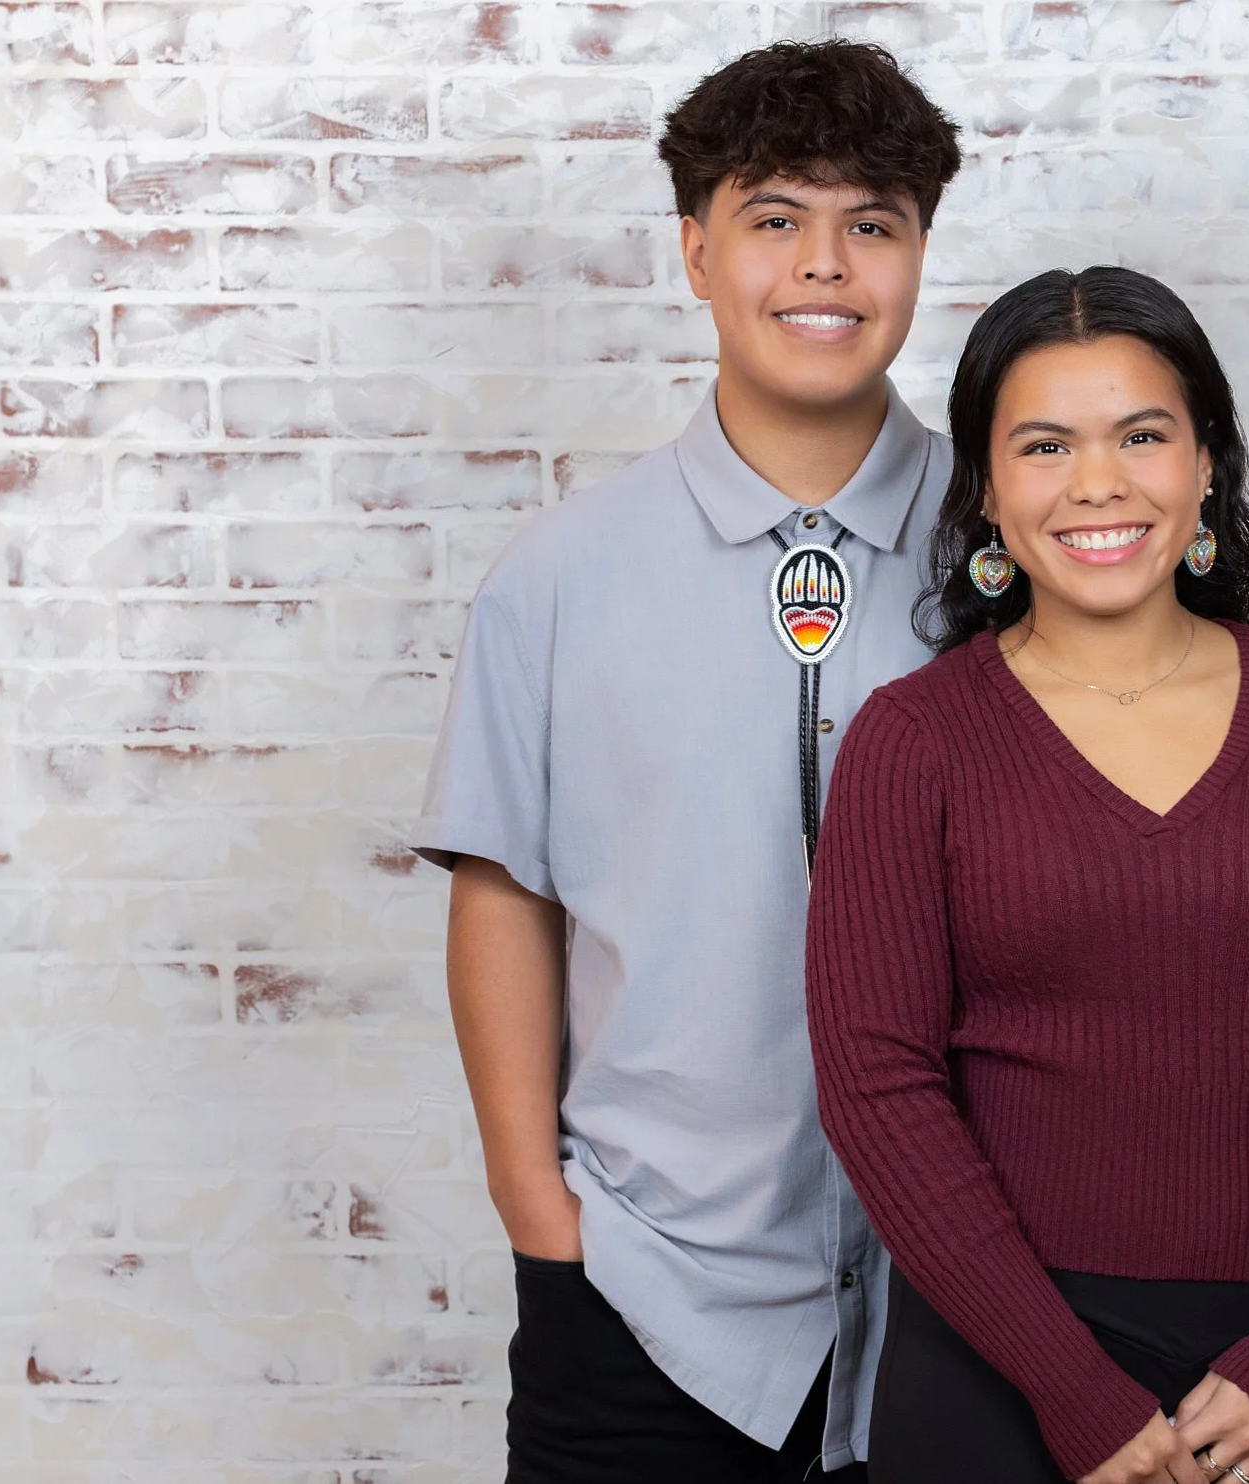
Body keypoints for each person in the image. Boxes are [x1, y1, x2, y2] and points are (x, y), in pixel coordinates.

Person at [806, 266, 1249, 1484]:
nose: (1098, 482)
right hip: (996, 1364)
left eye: (1142, 435)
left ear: (1205, 463)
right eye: (1045, 444)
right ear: (989, 487)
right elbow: (876, 1083)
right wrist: (1070, 1387)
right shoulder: (915, 741)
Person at [411, 41, 960, 1483]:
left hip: (979, 1312)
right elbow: (503, 897)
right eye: (775, 219)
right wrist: (543, 1216)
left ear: (919, 254)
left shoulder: (1016, 552)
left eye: (872, 225)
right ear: (696, 252)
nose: (823, 267)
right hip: (648, 1305)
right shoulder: (560, 578)